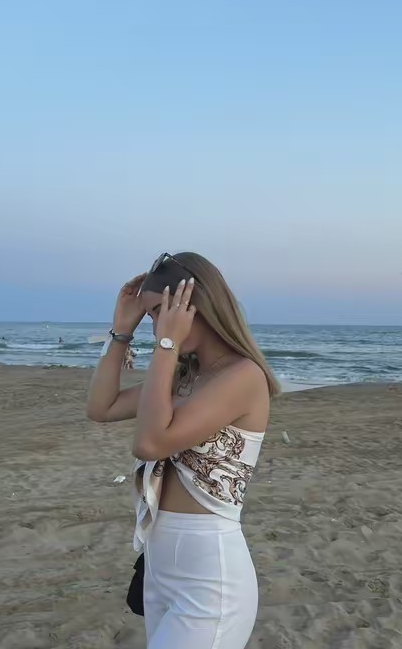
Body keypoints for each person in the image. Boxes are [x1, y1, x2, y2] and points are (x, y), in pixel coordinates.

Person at [86, 252, 280, 648]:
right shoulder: (184, 377)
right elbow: (101, 407)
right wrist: (121, 331)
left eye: (161, 311)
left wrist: (167, 344)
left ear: (197, 303)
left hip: (210, 578)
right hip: (160, 569)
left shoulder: (243, 376)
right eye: (152, 317)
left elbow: (149, 443)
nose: (157, 325)